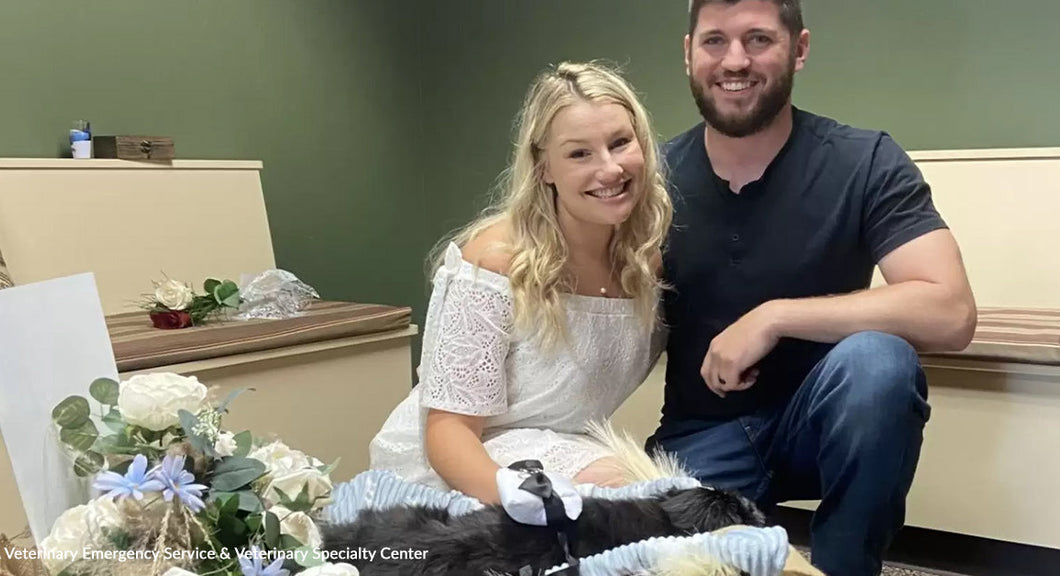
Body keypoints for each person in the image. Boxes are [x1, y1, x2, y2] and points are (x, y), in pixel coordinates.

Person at [647, 1, 977, 575]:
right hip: (700, 435)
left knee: (881, 361)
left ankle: (846, 566)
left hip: (826, 423)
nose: (734, 60)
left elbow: (950, 311)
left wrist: (773, 316)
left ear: (799, 48)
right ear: (687, 53)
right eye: (714, 41)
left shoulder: (865, 160)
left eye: (758, 40)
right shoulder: (650, 179)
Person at [370, 61, 673, 513]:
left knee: (654, 498)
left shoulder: (645, 261)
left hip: (569, 451)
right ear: (543, 168)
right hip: (461, 468)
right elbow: (448, 431)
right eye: (579, 154)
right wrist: (517, 500)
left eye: (619, 143)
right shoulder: (495, 261)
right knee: (630, 495)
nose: (609, 169)